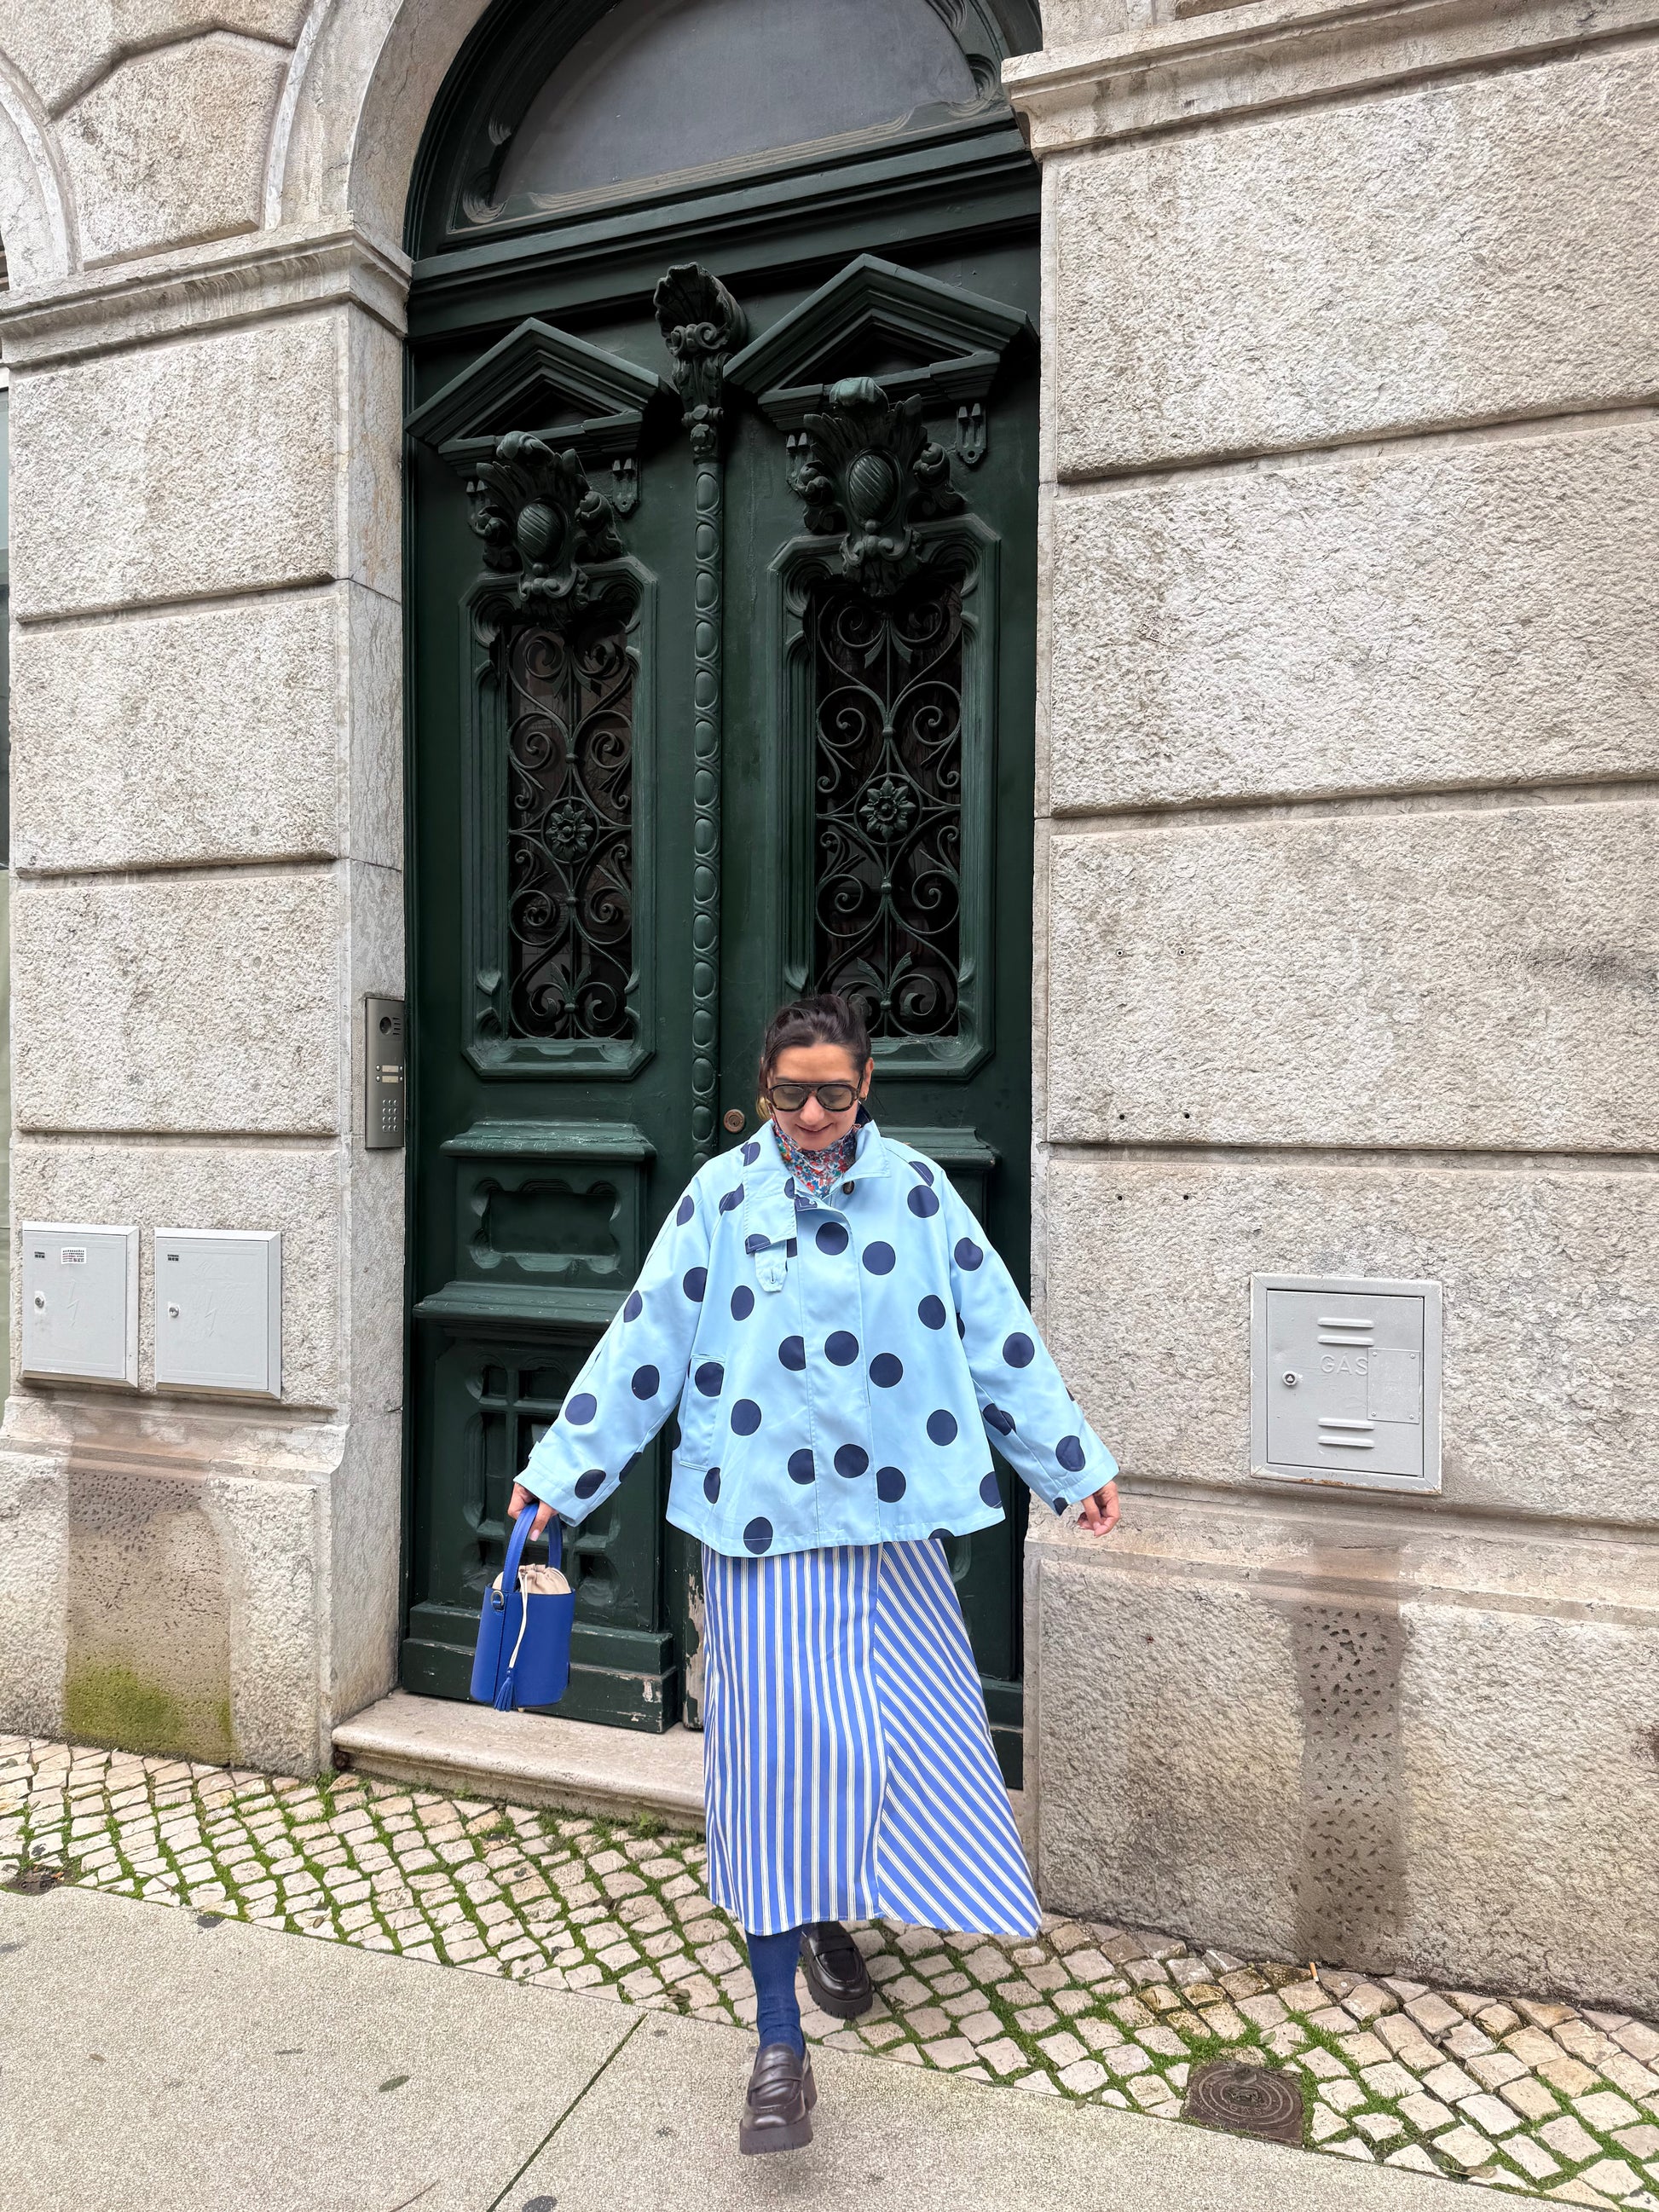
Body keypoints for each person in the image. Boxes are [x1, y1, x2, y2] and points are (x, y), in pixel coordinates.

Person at [508, 992, 1119, 2153]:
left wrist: (1069, 1462)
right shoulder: (720, 1196)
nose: (813, 1116)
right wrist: (558, 1477)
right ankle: (777, 2043)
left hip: (891, 1533)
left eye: (835, 1093)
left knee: (889, 1745)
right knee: (769, 1770)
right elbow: (642, 1346)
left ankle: (829, 1909)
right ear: (765, 1088)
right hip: (759, 1533)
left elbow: (999, 1339)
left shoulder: (920, 1194)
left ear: (868, 1084)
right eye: (791, 1095)